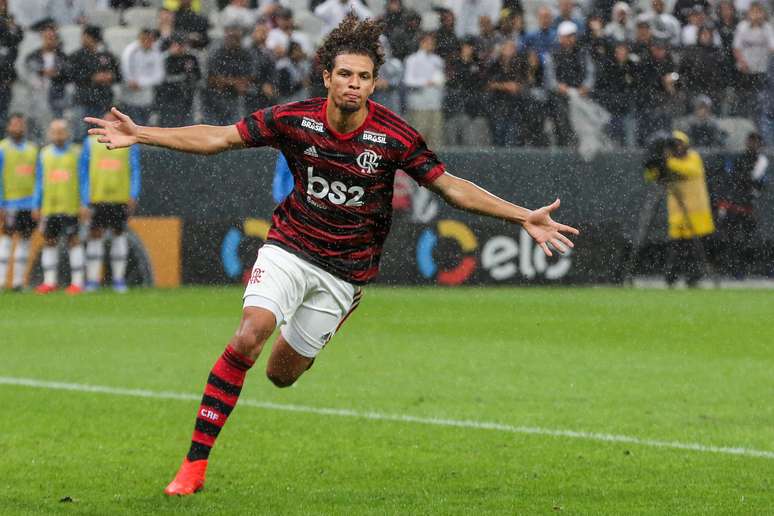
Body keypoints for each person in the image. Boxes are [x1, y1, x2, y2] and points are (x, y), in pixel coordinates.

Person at [84, 15, 579, 496]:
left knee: (280, 375)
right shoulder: (293, 119)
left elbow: (450, 187)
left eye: (364, 77)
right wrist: (142, 134)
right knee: (249, 335)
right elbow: (220, 137)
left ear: (374, 84)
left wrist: (522, 216)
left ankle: (333, 316)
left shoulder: (394, 137)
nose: (353, 85)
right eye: (345, 74)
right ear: (327, 76)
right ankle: (193, 465)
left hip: (345, 273)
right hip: (290, 246)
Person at [644, 131, 715, 286]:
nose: (677, 147)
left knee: (695, 247)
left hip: (696, 211)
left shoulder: (693, 157)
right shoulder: (670, 161)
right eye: (674, 144)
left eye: (679, 143)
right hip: (677, 212)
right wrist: (654, 164)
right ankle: (671, 277)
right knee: (676, 247)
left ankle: (694, 277)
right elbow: (650, 177)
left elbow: (690, 170)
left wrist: (665, 161)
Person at [82, 111, 141, 293]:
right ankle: (92, 280)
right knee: (95, 235)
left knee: (118, 234)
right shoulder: (90, 143)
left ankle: (118, 280)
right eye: (106, 120)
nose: (109, 124)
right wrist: (84, 198)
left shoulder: (128, 143)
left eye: (112, 121)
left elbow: (135, 170)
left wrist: (133, 193)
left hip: (119, 197)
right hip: (97, 197)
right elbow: (83, 173)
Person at [32, 119, 86, 295]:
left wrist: (84, 202)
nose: (58, 135)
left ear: (68, 133)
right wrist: (36, 204)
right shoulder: (44, 154)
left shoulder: (76, 153)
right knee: (49, 242)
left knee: (74, 241)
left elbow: (84, 180)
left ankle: (77, 283)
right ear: (49, 134)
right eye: (54, 131)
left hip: (70, 207)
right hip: (50, 207)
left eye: (61, 131)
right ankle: (50, 281)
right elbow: (39, 181)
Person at [715, 131, 767, 277]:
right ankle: (732, 268)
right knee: (731, 238)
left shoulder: (761, 161)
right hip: (735, 205)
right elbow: (732, 180)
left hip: (748, 206)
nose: (752, 144)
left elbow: (758, 184)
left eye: (756, 142)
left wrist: (746, 184)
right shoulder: (738, 159)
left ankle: (745, 268)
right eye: (750, 141)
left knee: (748, 238)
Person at [0, 114, 38, 291]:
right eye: (15, 124)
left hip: (29, 204)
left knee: (25, 240)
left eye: (21, 124)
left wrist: (37, 203)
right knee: (6, 239)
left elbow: (39, 178)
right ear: (8, 127)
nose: (18, 128)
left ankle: (18, 283)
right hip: (9, 203)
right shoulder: (2, 148)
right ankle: (1, 281)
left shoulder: (32, 149)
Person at [120, 28, 165, 126]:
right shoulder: (130, 50)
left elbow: (159, 76)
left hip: (147, 98)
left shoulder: (156, 53)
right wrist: (130, 81)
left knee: (143, 127)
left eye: (150, 39)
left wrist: (141, 83)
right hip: (130, 98)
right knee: (132, 126)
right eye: (144, 39)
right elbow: (125, 69)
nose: (147, 42)